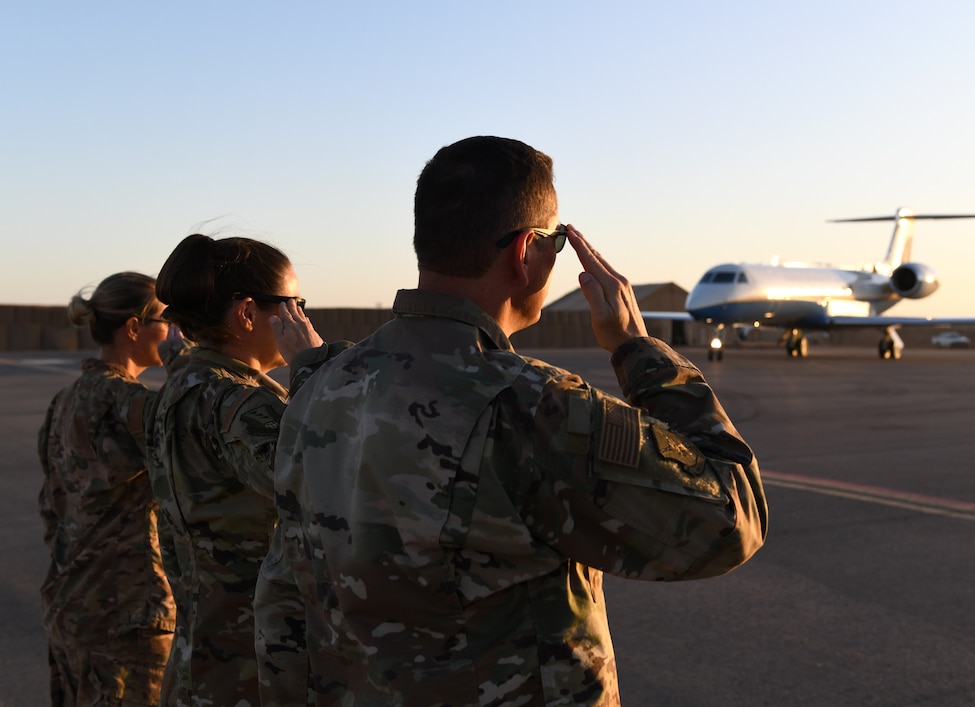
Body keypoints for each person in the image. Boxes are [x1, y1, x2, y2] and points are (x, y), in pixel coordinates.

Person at [254, 136, 769, 706]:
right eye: (554, 242)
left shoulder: (320, 386)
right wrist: (638, 350)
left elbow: (282, 597)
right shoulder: (529, 403)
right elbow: (730, 518)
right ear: (525, 253)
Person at [147, 233, 333, 706]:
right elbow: (331, 483)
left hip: (204, 656)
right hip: (249, 669)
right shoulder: (235, 401)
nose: (302, 318)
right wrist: (315, 368)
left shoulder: (189, 380)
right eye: (294, 304)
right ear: (248, 313)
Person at [38, 272, 177, 706]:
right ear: (134, 328)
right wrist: (188, 360)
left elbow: (52, 507)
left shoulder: (65, 400)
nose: (173, 331)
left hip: (69, 600)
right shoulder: (129, 402)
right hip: (125, 615)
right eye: (165, 320)